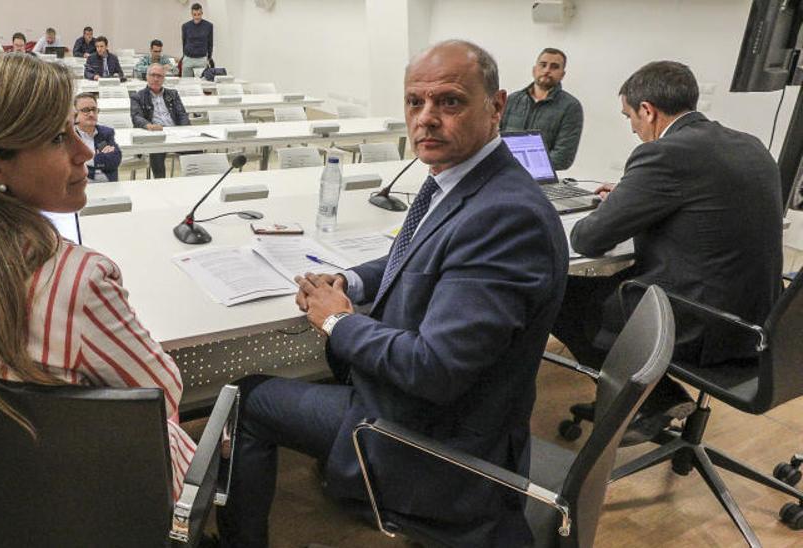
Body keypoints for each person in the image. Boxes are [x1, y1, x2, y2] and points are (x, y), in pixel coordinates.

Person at [214, 40, 568, 547]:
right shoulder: (468, 183)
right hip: (435, 409)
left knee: (246, 398)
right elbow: (418, 257)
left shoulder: (506, 217)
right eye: (414, 102)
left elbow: (435, 370)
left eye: (449, 102)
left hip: (433, 437)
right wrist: (350, 282)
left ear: (496, 106)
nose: (426, 118)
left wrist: (338, 321)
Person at [0, 53, 196, 500]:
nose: (85, 151)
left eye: (76, 128)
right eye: (59, 138)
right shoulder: (79, 281)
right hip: (88, 498)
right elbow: (160, 395)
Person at [553, 60, 783, 444]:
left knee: (557, 294)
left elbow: (589, 240)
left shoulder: (666, 153)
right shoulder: (750, 144)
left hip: (702, 323)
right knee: (607, 289)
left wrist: (612, 208)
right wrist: (634, 199)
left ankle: (652, 399)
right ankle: (636, 396)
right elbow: (705, 214)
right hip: (758, 321)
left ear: (648, 110)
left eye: (630, 116)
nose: (632, 128)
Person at [500, 48, 583, 170]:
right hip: (503, 172)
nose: (547, 70)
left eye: (554, 67)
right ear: (534, 70)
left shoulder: (571, 107)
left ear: (562, 74)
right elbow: (494, 137)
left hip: (540, 180)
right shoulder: (512, 99)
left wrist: (527, 167)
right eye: (543, 65)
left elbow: (563, 157)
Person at [130, 63, 190, 178]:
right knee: (156, 151)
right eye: (153, 75)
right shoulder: (137, 96)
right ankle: (160, 184)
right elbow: (136, 117)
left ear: (164, 79)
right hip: (155, 134)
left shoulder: (173, 94)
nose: (156, 79)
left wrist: (184, 129)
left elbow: (182, 114)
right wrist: (148, 125)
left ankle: (195, 183)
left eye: (160, 76)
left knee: (196, 149)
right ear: (147, 77)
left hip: (175, 133)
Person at [72, 92, 122, 182]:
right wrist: (99, 157)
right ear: (75, 114)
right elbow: (70, 167)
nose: (91, 114)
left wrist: (84, 160)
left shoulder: (106, 133)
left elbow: (115, 160)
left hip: (108, 186)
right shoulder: (70, 135)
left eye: (94, 109)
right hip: (80, 187)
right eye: (86, 110)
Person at [180, 3, 213, 78]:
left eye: (199, 14)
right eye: (195, 14)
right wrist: (184, 54)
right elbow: (184, 41)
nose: (197, 17)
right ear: (191, 14)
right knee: (186, 83)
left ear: (202, 13)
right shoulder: (185, 26)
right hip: (188, 58)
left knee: (201, 83)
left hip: (201, 59)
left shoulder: (209, 26)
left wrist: (209, 57)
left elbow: (210, 42)